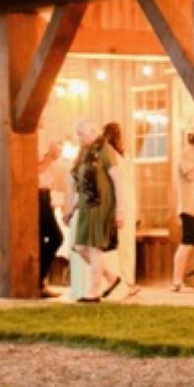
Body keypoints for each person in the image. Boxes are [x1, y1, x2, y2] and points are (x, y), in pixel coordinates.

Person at [63, 119, 123, 302]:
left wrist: (120, 210)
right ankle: (111, 277)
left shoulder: (105, 151)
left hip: (100, 205)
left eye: (81, 134)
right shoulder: (85, 152)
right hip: (85, 206)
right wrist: (72, 208)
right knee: (81, 247)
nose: (79, 138)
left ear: (92, 132)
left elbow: (118, 181)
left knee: (95, 248)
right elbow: (81, 184)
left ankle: (93, 292)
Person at [101, 121, 140, 299]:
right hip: (129, 197)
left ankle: (121, 281)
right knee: (126, 242)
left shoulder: (108, 155)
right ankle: (128, 280)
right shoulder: (126, 155)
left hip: (117, 198)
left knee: (116, 243)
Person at [36, 128, 64, 298]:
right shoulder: (29, 140)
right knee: (56, 237)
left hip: (45, 194)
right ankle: (37, 280)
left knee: (42, 241)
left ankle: (39, 282)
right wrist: (50, 157)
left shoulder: (43, 137)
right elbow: (34, 170)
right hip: (37, 195)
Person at [171, 130, 194, 293]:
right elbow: (191, 175)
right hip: (188, 207)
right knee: (187, 243)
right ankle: (177, 281)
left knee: (190, 243)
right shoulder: (188, 153)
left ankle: (178, 280)